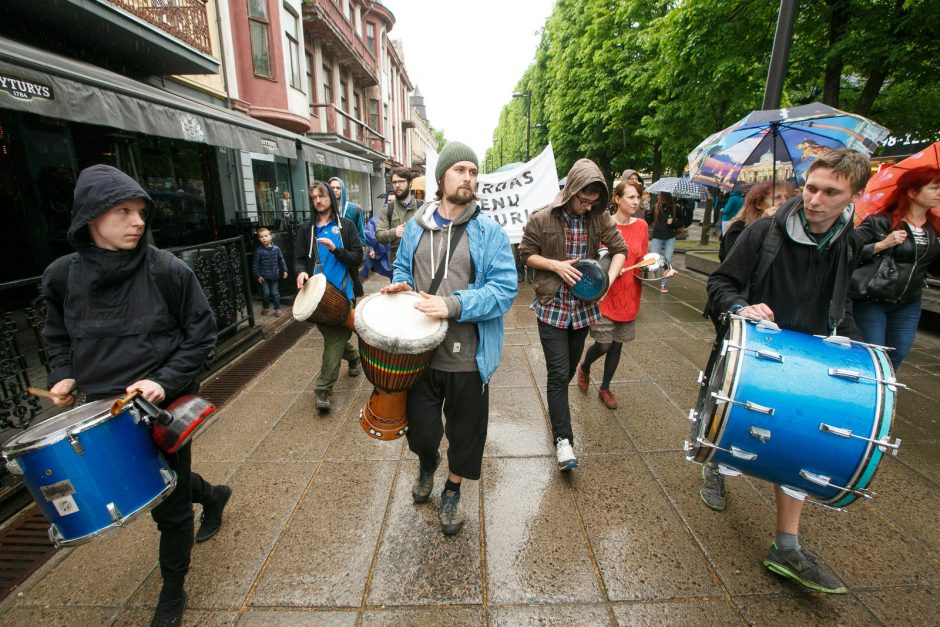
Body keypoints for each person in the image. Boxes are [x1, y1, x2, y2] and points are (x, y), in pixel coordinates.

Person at [41, 165, 231, 627]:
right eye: (123, 211)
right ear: (91, 217)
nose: (138, 221)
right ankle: (214, 494)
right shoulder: (61, 277)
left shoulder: (168, 270)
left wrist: (163, 381)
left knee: (167, 507)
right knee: (158, 483)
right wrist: (63, 375)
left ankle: (172, 589)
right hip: (104, 412)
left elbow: (201, 336)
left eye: (140, 211)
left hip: (163, 406)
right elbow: (56, 335)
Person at [703, 148, 871, 594]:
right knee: (728, 425)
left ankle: (786, 546)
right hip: (754, 353)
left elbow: (843, 303)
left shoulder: (848, 242)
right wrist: (742, 306)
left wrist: (854, 343)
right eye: (811, 187)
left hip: (808, 364)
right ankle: (717, 466)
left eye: (830, 192)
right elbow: (720, 283)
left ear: (853, 195)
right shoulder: (764, 232)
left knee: (801, 443)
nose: (815, 199)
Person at [384, 142, 517, 535]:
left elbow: (505, 289)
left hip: (468, 356)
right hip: (420, 354)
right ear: (441, 177)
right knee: (422, 430)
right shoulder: (417, 227)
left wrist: (453, 305)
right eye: (460, 170)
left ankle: (452, 490)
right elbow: (400, 267)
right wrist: (399, 286)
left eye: (473, 172)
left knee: (466, 435)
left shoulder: (489, 232)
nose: (468, 178)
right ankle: (427, 463)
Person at [519, 158, 627, 471]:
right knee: (557, 374)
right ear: (571, 191)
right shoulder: (543, 218)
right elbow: (526, 255)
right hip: (551, 308)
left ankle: (557, 410)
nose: (587, 207)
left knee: (564, 375)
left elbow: (620, 250)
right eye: (583, 200)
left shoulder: (599, 217)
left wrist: (607, 283)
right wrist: (556, 265)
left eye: (594, 202)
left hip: (581, 311)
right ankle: (564, 441)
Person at [578, 180, 674, 409]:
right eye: (630, 197)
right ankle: (584, 366)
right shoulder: (603, 224)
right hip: (605, 294)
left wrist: (662, 268)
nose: (635, 201)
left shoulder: (641, 226)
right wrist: (609, 268)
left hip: (629, 293)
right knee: (603, 344)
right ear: (617, 199)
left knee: (618, 344)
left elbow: (642, 260)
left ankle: (605, 388)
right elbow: (592, 260)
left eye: (638, 197)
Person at [850, 167, 940, 370]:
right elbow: (849, 251)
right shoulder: (880, 222)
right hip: (872, 298)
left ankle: (884, 390)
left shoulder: (934, 228)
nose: (939, 193)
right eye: (934, 188)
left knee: (898, 352)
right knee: (874, 352)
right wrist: (881, 245)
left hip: (908, 302)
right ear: (912, 192)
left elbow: (934, 269)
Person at [294, 181, 364, 413]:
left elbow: (357, 258)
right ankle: (354, 358)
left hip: (344, 295)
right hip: (316, 298)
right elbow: (299, 258)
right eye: (314, 197)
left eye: (322, 196)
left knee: (334, 339)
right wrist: (301, 271)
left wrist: (336, 250)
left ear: (331, 198)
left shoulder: (346, 226)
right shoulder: (307, 229)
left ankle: (323, 389)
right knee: (334, 336)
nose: (318, 201)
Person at [719, 181, 794, 261]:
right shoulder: (738, 228)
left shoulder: (788, 229)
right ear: (758, 204)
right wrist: (762, 224)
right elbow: (738, 260)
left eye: (786, 197)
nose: (784, 202)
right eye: (777, 198)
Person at [376, 167, 422, 266]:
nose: (397, 185)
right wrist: (394, 232)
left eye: (401, 181)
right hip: (397, 265)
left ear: (410, 183)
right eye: (394, 182)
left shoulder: (422, 207)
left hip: (419, 265)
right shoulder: (388, 209)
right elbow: (379, 235)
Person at [252, 227, 288, 316]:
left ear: (270, 237)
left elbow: (281, 260)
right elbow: (255, 265)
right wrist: (258, 276)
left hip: (274, 275)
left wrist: (285, 270)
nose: (264, 238)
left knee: (275, 293)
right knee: (266, 293)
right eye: (261, 237)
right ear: (259, 239)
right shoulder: (258, 251)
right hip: (264, 277)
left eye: (266, 236)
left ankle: (277, 309)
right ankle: (266, 307)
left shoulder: (276, 249)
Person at [649, 191, 679, 292]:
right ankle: (647, 275)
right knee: (653, 259)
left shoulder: (675, 208)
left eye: (659, 195)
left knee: (668, 261)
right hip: (657, 237)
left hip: (670, 238)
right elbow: (647, 219)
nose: (658, 197)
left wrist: (673, 222)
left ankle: (663, 284)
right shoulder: (655, 207)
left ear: (665, 196)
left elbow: (683, 221)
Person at [328, 177, 366, 249]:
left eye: (338, 188)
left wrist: (353, 251)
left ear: (343, 190)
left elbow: (362, 237)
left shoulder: (353, 209)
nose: (335, 190)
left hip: (349, 253)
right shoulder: (325, 210)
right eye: (332, 188)